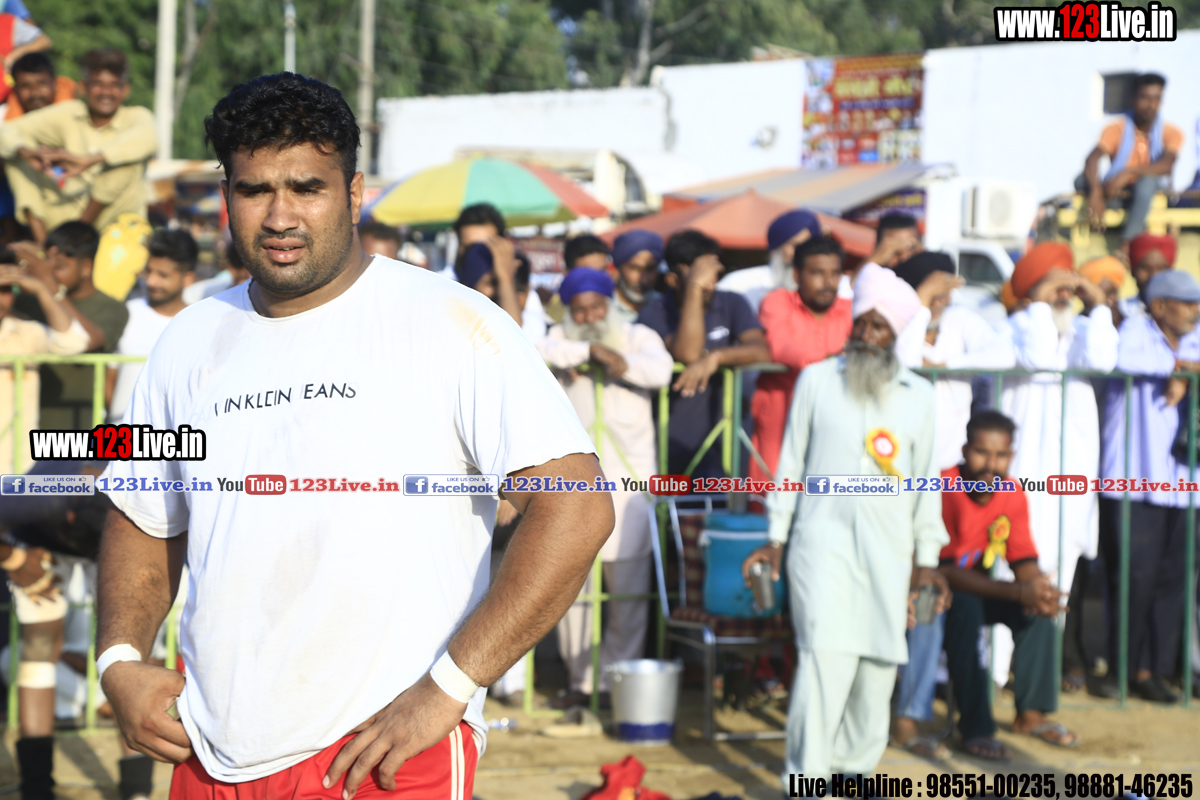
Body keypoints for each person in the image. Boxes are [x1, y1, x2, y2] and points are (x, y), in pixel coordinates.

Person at [95, 72, 612, 799]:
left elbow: (576, 506)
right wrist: (118, 659)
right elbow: (140, 513)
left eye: (306, 188)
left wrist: (450, 685)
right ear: (226, 197)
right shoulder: (185, 340)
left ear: (354, 192)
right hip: (211, 752)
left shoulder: (453, 322)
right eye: (254, 190)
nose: (280, 216)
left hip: (385, 755)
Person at [742, 263, 949, 784]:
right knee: (823, 661)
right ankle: (808, 782)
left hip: (890, 551)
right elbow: (790, 467)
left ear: (895, 334)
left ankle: (853, 773)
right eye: (862, 323)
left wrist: (927, 561)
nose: (867, 335)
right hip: (820, 545)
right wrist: (775, 538)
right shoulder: (817, 380)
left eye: (879, 326)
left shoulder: (919, 395)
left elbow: (927, 483)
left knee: (878, 667)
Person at [536, 268, 672, 708]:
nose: (591, 317)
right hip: (577, 487)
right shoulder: (560, 338)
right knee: (574, 595)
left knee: (629, 594)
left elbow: (662, 371)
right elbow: (536, 350)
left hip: (631, 488)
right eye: (580, 310)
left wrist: (620, 362)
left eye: (597, 307)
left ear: (610, 306)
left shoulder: (638, 336)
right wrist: (587, 351)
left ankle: (618, 685)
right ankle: (582, 684)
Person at [0, 461, 159, 800]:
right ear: (70, 515)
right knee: (39, 647)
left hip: (123, 538)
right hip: (42, 543)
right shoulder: (45, 493)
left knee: (129, 650)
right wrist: (15, 560)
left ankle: (138, 791)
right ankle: (36, 790)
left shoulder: (145, 494)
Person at [999, 242, 1117, 685]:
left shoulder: (1082, 332)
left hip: (1071, 479)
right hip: (1023, 475)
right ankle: (997, 672)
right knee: (1011, 567)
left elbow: (1103, 360)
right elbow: (1036, 356)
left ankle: (1039, 676)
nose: (1064, 296)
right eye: (1055, 287)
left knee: (1062, 570)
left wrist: (1099, 304)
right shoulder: (1014, 328)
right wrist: (1039, 305)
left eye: (1068, 287)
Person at [940, 411, 1079, 757]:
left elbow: (1023, 560)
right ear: (964, 450)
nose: (991, 464)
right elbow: (945, 571)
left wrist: (1038, 591)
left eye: (1001, 455)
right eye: (981, 452)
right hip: (938, 594)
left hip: (981, 590)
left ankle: (1031, 715)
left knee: (1038, 612)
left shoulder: (1012, 492)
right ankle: (975, 728)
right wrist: (1019, 591)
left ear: (1011, 455)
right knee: (967, 610)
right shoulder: (944, 486)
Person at [1095, 269, 1200, 704]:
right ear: (1159, 306)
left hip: (1186, 484)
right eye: (1187, 303)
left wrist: (1187, 370)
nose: (1195, 311)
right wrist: (1179, 369)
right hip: (1133, 481)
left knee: (1173, 580)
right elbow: (1121, 361)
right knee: (1132, 580)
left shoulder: (1195, 338)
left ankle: (1153, 671)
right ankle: (1120, 670)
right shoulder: (1136, 330)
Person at [637, 230, 769, 478]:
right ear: (673, 279)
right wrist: (694, 289)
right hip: (666, 440)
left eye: (712, 274)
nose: (710, 283)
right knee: (667, 503)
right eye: (701, 275)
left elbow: (761, 351)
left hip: (720, 441)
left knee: (716, 501)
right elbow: (688, 353)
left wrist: (715, 357)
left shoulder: (732, 302)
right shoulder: (654, 312)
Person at [0, 48, 156, 245]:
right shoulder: (70, 113)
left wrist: (90, 160)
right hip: (66, 212)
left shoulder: (137, 116)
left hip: (116, 227)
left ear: (125, 90)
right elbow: (6, 131)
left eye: (114, 85)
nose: (106, 92)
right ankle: (45, 248)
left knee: (125, 162)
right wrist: (27, 152)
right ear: (83, 87)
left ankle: (74, 241)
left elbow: (149, 138)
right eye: (98, 84)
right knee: (16, 155)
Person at [894, 251, 1014, 470]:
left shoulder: (959, 319)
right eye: (931, 294)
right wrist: (921, 303)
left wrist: (944, 366)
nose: (938, 302)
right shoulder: (900, 325)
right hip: (904, 463)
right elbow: (907, 361)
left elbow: (1004, 356)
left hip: (952, 464)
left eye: (943, 294)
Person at [749, 235, 851, 487]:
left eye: (835, 273)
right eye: (818, 273)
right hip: (780, 419)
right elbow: (780, 346)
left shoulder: (851, 309)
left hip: (836, 422)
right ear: (796, 275)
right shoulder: (777, 301)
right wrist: (833, 361)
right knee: (770, 495)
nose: (828, 282)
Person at [10, 221, 128, 429]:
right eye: (47, 263)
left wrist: (49, 286)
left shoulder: (112, 308)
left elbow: (87, 340)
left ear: (86, 267)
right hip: (23, 431)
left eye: (59, 267)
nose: (50, 272)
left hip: (75, 431)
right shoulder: (29, 300)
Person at [0, 249, 88, 472]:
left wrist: (41, 289)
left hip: (17, 470)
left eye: (5, 289)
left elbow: (74, 343)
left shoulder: (24, 332)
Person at [106, 229, 197, 423]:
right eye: (148, 271)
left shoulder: (199, 322)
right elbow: (109, 380)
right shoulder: (126, 313)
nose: (151, 281)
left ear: (188, 278)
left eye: (163, 275)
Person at [1080, 73, 1183, 241]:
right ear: (1133, 99)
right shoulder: (1116, 128)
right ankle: (1094, 220)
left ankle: (1128, 242)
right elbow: (1092, 159)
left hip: (1152, 195)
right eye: (1145, 98)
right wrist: (1096, 192)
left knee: (1147, 182)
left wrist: (1129, 173)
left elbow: (1166, 165)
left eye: (1156, 99)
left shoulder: (1171, 132)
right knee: (1082, 180)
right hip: (1119, 193)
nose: (1151, 105)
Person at [716, 208, 821, 315]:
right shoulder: (737, 285)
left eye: (807, 247)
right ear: (775, 250)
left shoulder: (827, 289)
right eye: (795, 246)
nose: (801, 254)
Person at [544, 234, 611, 324]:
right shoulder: (555, 316)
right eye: (587, 275)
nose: (597, 280)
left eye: (602, 271)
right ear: (568, 275)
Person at [607, 230, 662, 327]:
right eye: (635, 269)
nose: (644, 280)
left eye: (650, 269)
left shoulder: (665, 307)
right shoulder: (603, 309)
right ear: (617, 270)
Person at [1120, 232, 1177, 321]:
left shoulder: (1187, 314)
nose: (1154, 276)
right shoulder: (1121, 311)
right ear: (1133, 271)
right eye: (1146, 268)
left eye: (1161, 269)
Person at [5, 51, 76, 120]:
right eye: (25, 86)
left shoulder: (76, 116)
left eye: (42, 84)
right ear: (15, 90)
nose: (35, 93)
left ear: (55, 84)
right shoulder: (3, 121)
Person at [1079, 255, 1128, 328]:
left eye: (1114, 293)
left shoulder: (1129, 321)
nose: (1111, 300)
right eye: (1103, 295)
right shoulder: (1076, 326)